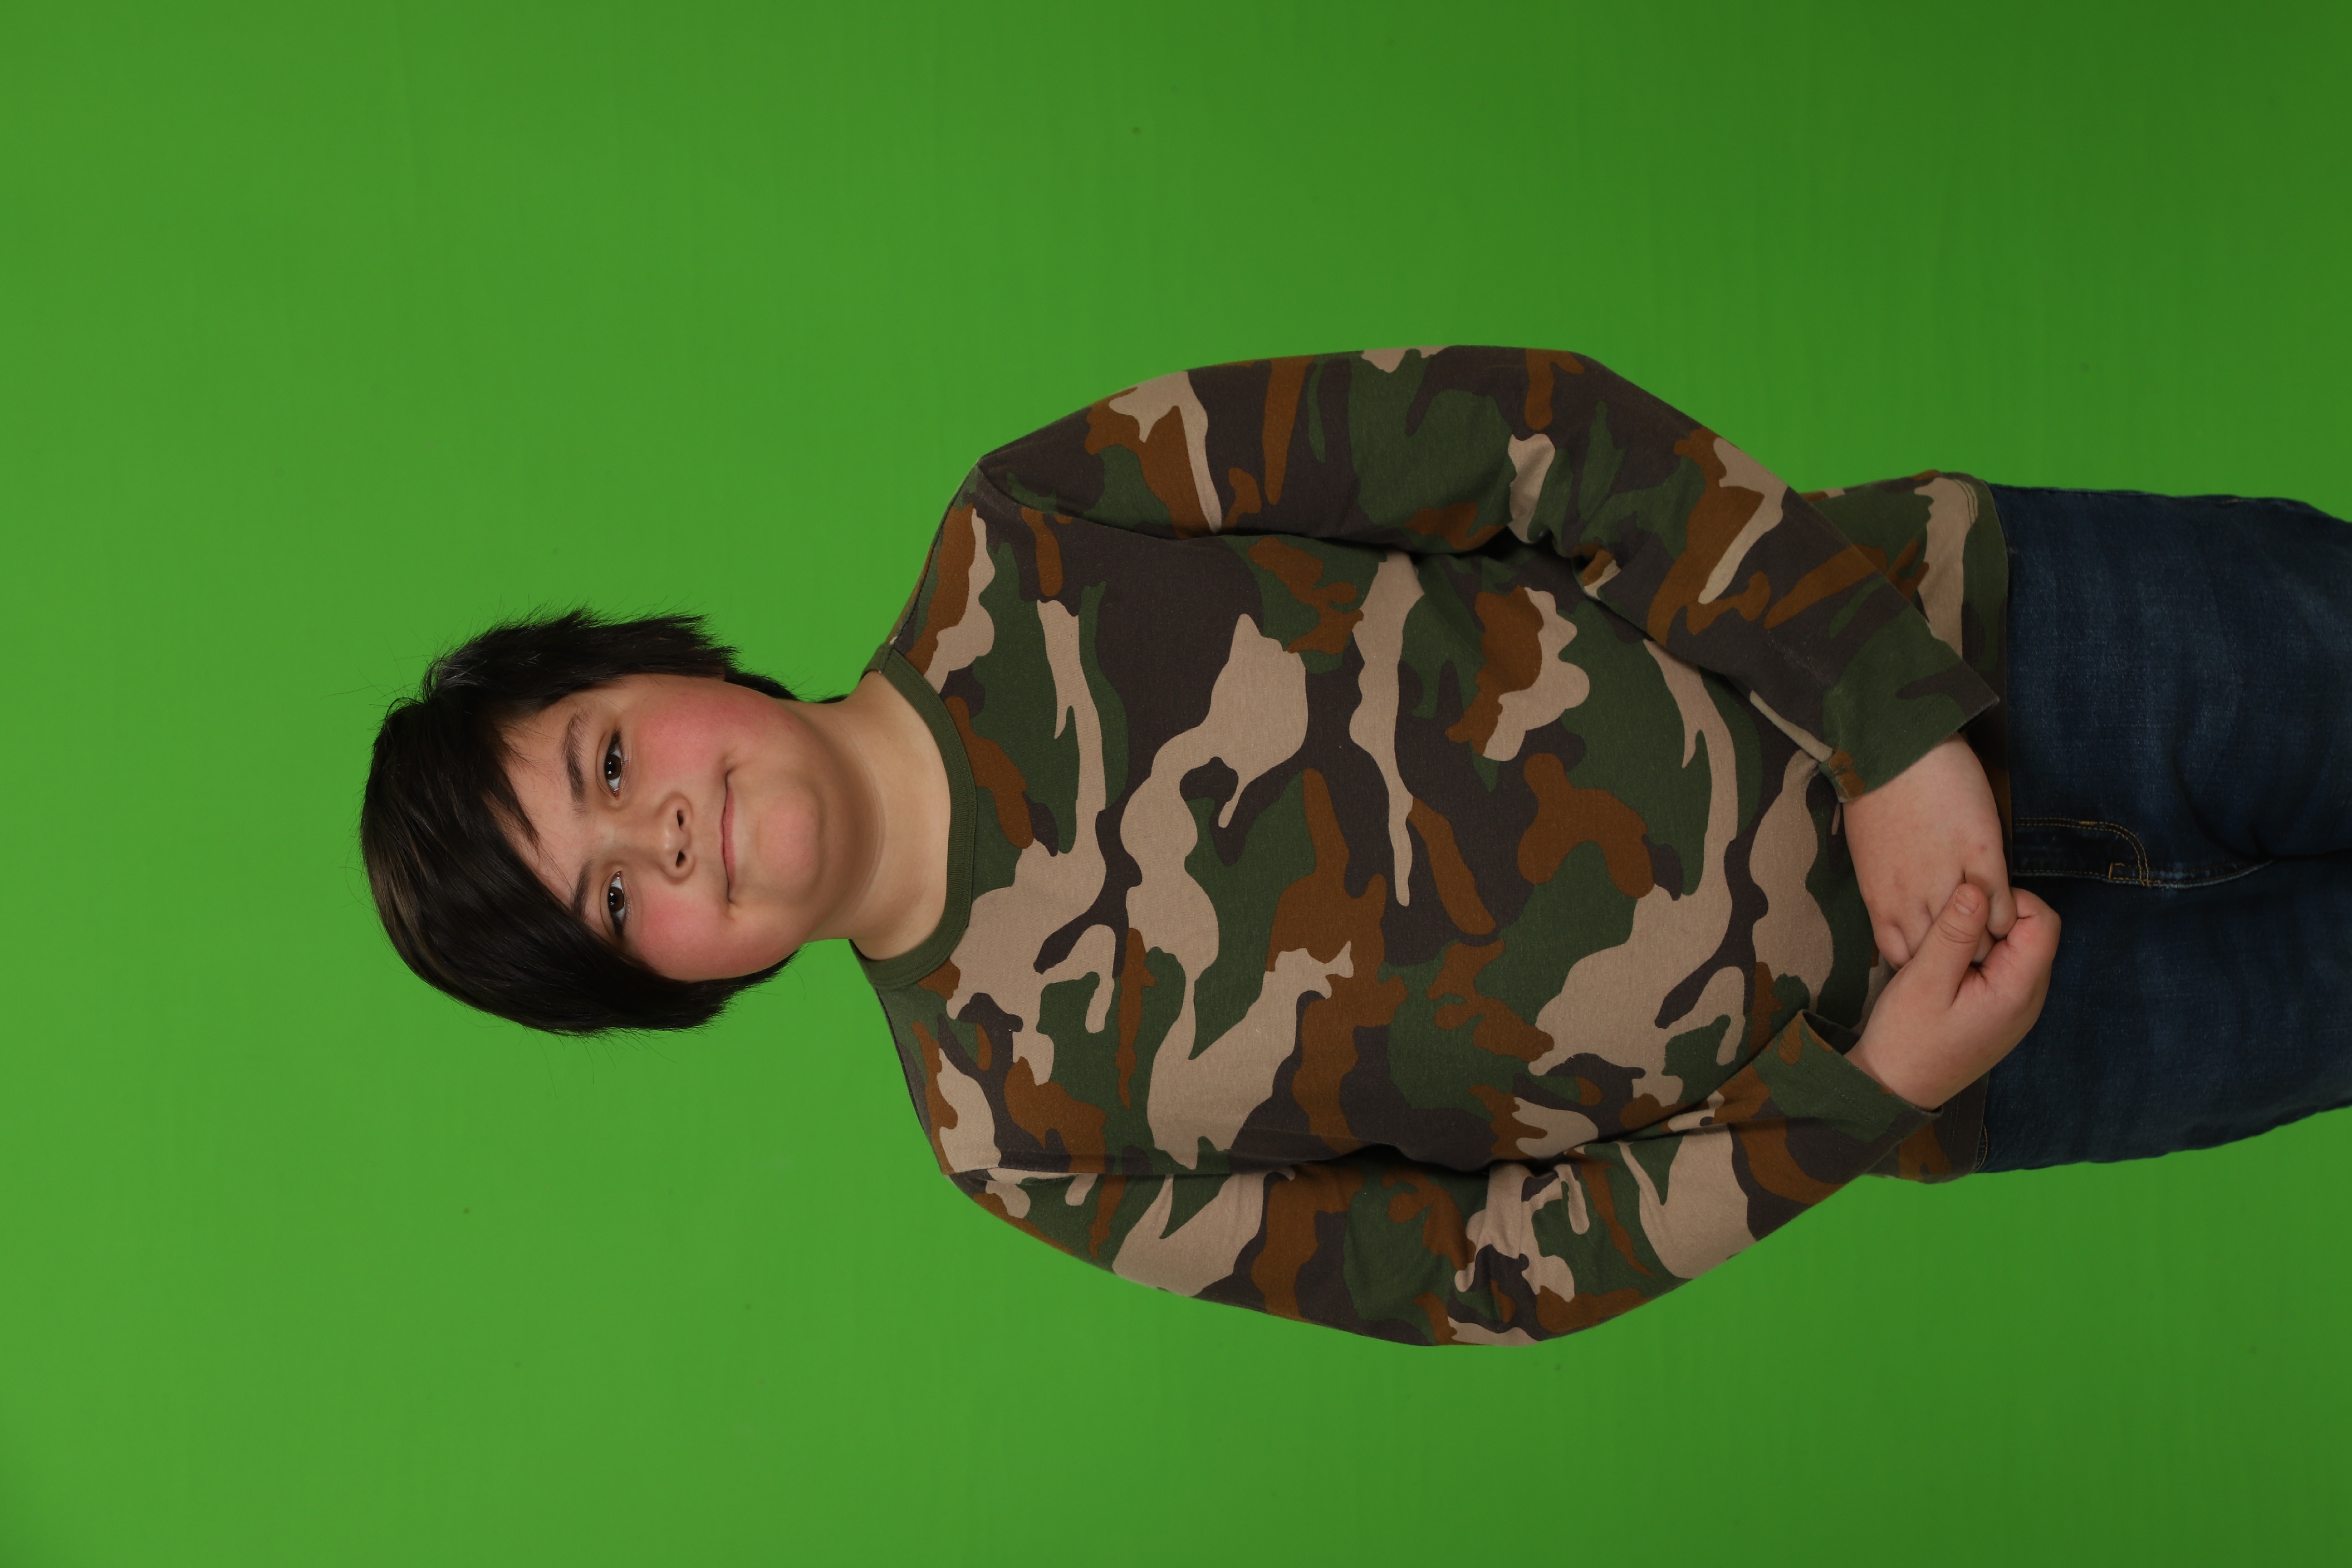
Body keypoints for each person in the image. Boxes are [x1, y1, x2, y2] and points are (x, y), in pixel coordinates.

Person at [361, 347, 2351, 1345]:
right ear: (664, 986)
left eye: (606, 759)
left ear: (654, 665)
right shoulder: (1012, 1134)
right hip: (1986, 1046)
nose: (666, 835)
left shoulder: (1029, 534)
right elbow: (1479, 1271)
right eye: (611, 902)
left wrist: (1890, 719)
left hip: (2003, 639)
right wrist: (1864, 1103)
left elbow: (1532, 437)